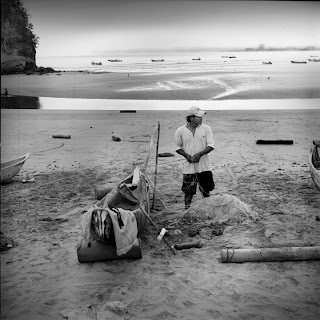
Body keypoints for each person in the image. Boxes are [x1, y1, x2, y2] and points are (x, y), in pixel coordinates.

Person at [174, 106, 215, 209]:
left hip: (204, 167)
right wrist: (187, 156)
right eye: (199, 116)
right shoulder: (180, 130)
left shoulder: (206, 129)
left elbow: (211, 145)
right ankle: (187, 209)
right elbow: (177, 147)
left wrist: (199, 154)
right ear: (191, 118)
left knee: (206, 191)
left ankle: (206, 208)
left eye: (201, 116)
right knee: (188, 191)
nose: (201, 118)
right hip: (189, 167)